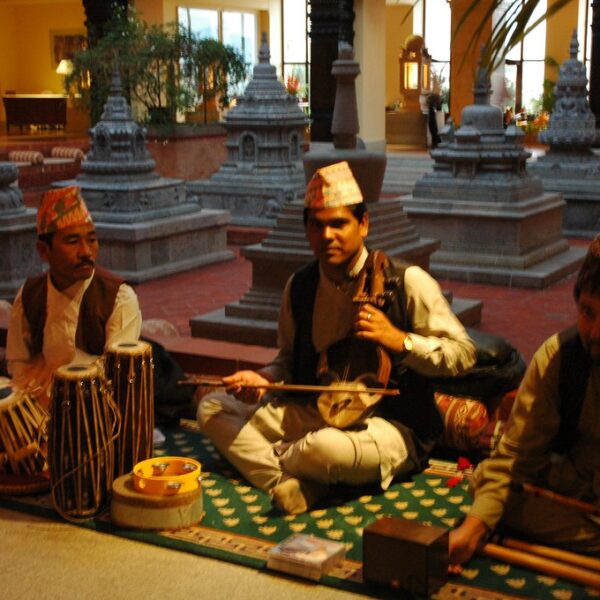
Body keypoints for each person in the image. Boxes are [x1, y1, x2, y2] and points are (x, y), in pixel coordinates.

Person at [197, 160, 476, 515]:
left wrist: (400, 341)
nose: (327, 235)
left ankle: (291, 468)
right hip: (317, 412)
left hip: (388, 426)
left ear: (363, 224)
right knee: (213, 408)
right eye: (317, 225)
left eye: (339, 223)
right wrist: (265, 379)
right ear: (307, 230)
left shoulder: (406, 281)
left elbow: (464, 355)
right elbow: (287, 359)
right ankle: (297, 483)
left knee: (323, 450)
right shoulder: (299, 286)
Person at [449, 235, 600, 570]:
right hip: (576, 496)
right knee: (488, 486)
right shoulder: (560, 356)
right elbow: (515, 459)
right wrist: (472, 532)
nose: (595, 332)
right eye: (588, 312)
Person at [6, 186, 141, 407]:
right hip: (39, 403)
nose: (86, 252)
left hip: (95, 406)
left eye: (91, 240)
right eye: (72, 241)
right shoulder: (30, 293)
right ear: (44, 251)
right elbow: (18, 362)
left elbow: (117, 372)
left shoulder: (118, 296)